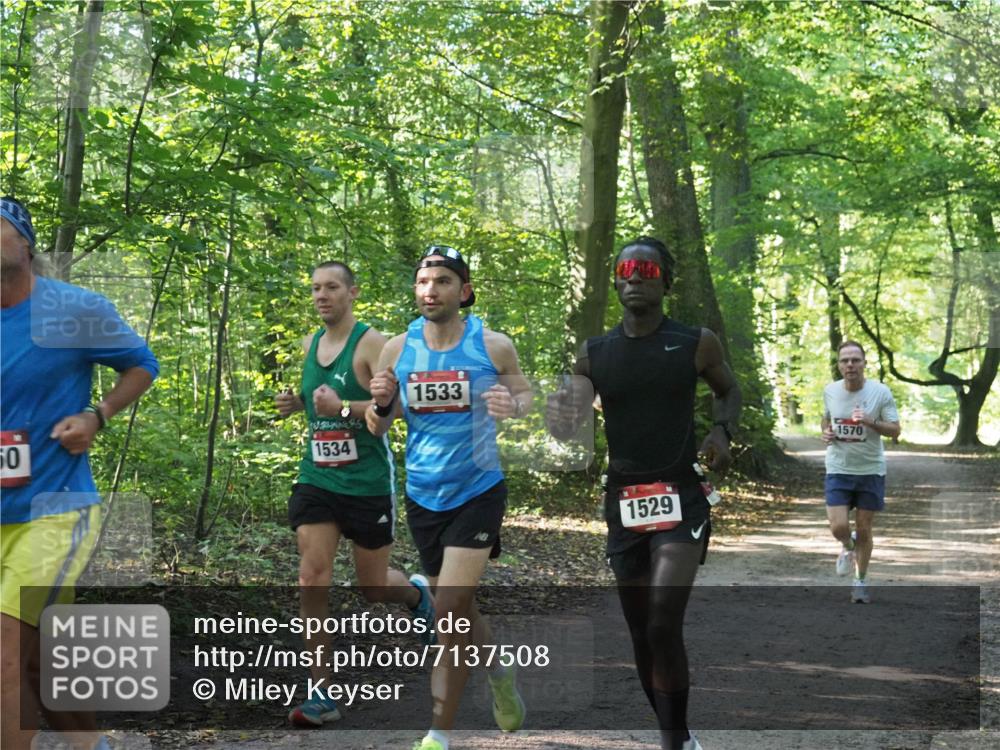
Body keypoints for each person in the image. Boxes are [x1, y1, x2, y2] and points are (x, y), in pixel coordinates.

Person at [547, 237, 741, 750]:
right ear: (614, 281)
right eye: (626, 269)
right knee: (640, 633)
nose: (634, 276)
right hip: (625, 501)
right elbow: (566, 428)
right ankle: (678, 734)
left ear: (665, 281)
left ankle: (673, 745)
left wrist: (722, 432)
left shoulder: (696, 343)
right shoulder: (595, 353)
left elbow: (728, 389)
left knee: (661, 620)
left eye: (646, 269)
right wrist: (558, 412)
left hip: (681, 496)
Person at [1, 196, 159, 750]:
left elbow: (143, 364)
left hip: (54, 508)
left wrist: (97, 414)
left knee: (3, 655)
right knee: (40, 666)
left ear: (25, 244)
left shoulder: (72, 309)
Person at [366, 245, 532, 750]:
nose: (429, 290)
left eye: (440, 281)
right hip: (424, 494)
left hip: (478, 489)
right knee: (454, 610)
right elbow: (379, 425)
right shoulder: (397, 349)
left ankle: (440, 732)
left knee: (452, 607)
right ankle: (499, 669)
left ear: (464, 290)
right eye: (422, 282)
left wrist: (512, 404)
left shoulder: (493, 345)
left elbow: (524, 397)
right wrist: (378, 402)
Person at [274, 260, 435, 727]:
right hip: (317, 478)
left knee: (372, 586)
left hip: (365, 483)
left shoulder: (374, 344)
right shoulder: (309, 344)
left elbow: (399, 407)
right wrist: (298, 404)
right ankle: (321, 693)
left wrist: (342, 405)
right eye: (315, 288)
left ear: (352, 293)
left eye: (331, 288)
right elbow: (315, 400)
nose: (321, 296)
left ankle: (417, 595)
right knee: (312, 577)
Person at [820, 340, 900, 604]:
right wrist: (826, 432)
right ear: (839, 365)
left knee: (864, 529)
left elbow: (895, 429)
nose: (850, 365)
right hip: (838, 468)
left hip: (870, 470)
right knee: (838, 526)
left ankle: (860, 582)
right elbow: (826, 418)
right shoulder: (830, 391)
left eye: (855, 360)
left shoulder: (880, 393)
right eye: (845, 360)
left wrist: (869, 421)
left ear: (864, 363)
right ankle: (847, 545)